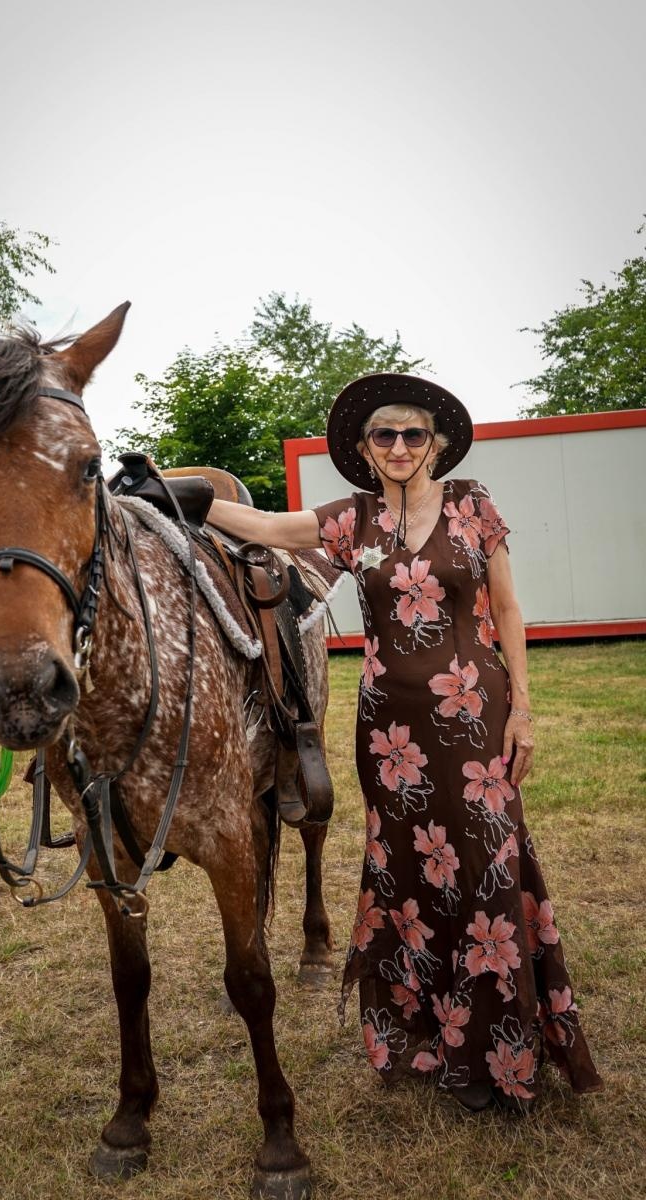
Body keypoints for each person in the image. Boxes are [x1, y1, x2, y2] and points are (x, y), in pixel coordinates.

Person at [208, 373, 602, 1111]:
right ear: (363, 448)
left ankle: (499, 1052)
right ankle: (432, 1032)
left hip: (475, 716)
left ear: (438, 443)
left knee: (487, 863)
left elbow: (509, 609)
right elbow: (263, 527)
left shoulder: (473, 506)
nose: (398, 446)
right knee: (416, 874)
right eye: (383, 435)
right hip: (392, 735)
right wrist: (173, 487)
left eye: (412, 433)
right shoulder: (348, 521)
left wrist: (523, 710)